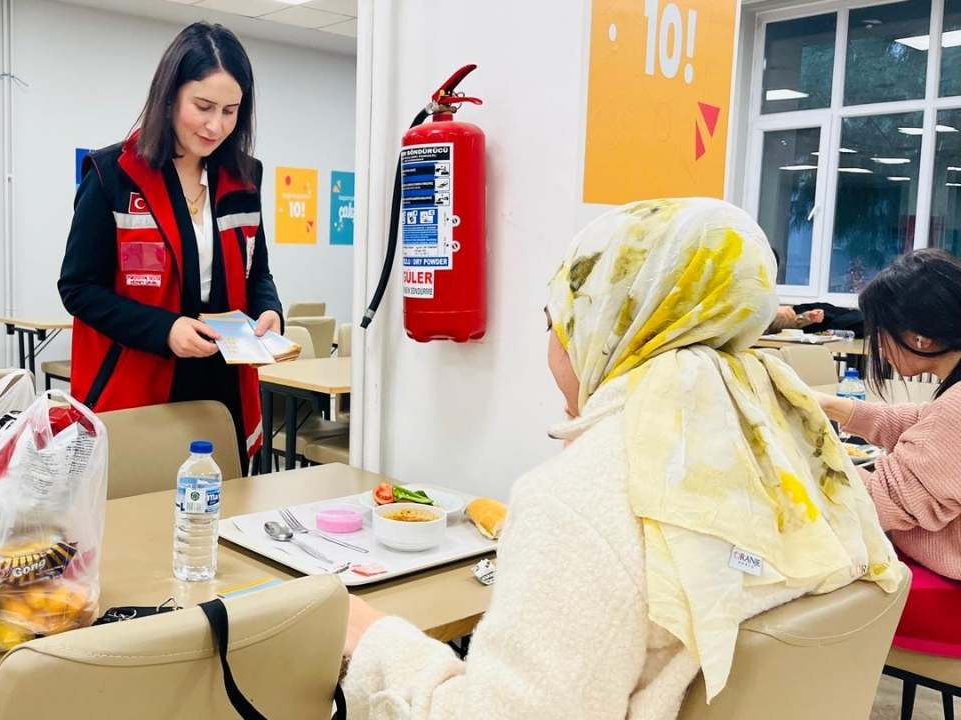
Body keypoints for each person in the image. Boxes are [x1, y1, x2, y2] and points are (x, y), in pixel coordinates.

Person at [341, 199, 902, 719]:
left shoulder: (584, 498)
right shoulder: (806, 455)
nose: (554, 349)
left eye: (554, 324)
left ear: (609, 324)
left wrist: (374, 641)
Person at [58, 22, 282, 474]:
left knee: (220, 516)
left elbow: (257, 273)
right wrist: (165, 329)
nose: (216, 125)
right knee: (140, 521)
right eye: (202, 106)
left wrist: (270, 310)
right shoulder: (112, 175)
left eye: (230, 110)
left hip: (224, 382)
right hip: (140, 380)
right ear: (170, 96)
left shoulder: (244, 177)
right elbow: (79, 288)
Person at [815, 248, 961, 581]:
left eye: (881, 333)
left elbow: (875, 502)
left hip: (947, 591)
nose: (878, 347)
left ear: (920, 339)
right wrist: (830, 406)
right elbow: (925, 424)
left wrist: (798, 449)